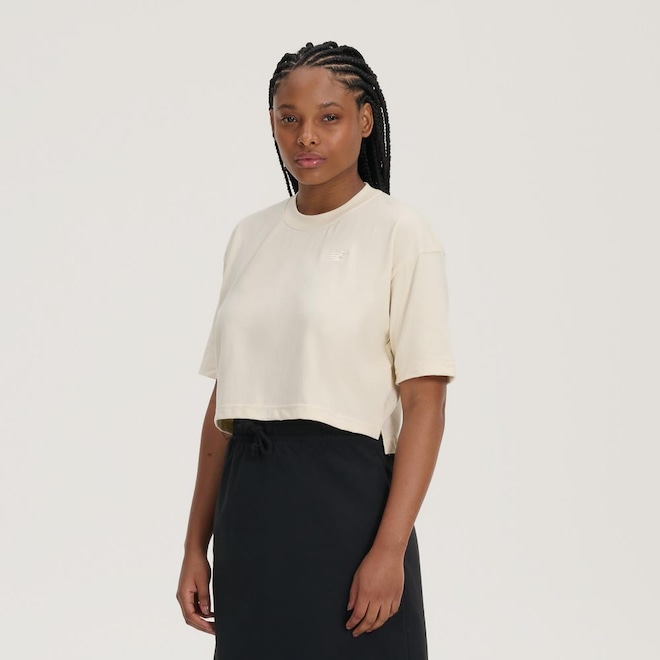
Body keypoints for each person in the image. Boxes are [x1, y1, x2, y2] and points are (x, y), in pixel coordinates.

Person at [176, 41, 456, 660]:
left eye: (329, 117)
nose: (306, 135)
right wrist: (196, 544)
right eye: (289, 117)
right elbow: (223, 404)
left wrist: (389, 549)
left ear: (365, 119)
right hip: (249, 505)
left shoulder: (400, 232)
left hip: (348, 507)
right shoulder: (249, 236)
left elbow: (425, 406)